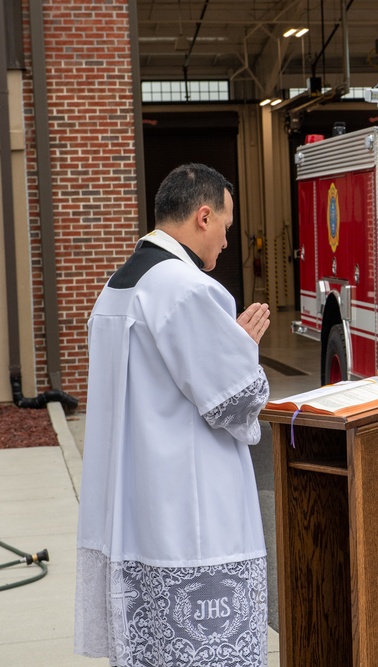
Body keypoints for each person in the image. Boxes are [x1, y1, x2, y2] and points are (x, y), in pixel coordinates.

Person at [74, 163, 272, 666]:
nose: (227, 243)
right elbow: (235, 401)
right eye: (226, 227)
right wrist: (244, 350)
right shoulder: (187, 290)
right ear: (203, 217)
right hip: (192, 515)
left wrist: (229, 347)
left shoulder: (116, 289)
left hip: (135, 511)